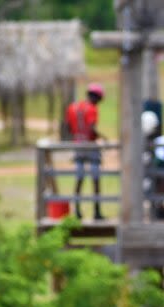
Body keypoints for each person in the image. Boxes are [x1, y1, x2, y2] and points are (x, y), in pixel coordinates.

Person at [65, 83, 107, 220]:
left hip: (78, 146)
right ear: (96, 97)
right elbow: (92, 127)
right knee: (95, 179)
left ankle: (76, 211)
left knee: (79, 178)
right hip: (90, 146)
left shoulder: (73, 107)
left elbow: (68, 127)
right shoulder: (92, 109)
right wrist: (102, 137)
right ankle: (96, 211)